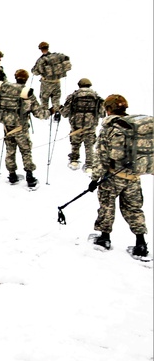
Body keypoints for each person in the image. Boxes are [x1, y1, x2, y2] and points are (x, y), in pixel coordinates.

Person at [88, 95, 148, 256]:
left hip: (113, 177)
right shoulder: (134, 126)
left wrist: (95, 179)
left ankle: (104, 238)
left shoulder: (110, 129)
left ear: (108, 109)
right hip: (134, 177)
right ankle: (141, 244)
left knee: (107, 206)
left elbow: (101, 157)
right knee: (134, 209)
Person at [0, 68, 49, 188]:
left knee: (10, 150)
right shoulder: (26, 92)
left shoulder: (5, 89)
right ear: (26, 79)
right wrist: (51, 111)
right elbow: (39, 114)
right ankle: (30, 176)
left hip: (7, 127)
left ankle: (12, 175)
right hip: (21, 128)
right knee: (26, 151)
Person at [59, 78, 105, 173]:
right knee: (89, 146)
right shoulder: (97, 97)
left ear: (79, 85)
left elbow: (65, 113)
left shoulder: (73, 96)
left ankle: (74, 161)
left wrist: (60, 109)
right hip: (91, 126)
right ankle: (89, 166)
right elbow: (102, 114)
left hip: (76, 125)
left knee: (75, 143)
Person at [31, 41, 71, 112]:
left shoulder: (41, 60)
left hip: (46, 83)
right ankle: (57, 112)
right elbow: (66, 59)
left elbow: (35, 72)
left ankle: (45, 114)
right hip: (57, 82)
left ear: (41, 49)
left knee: (44, 100)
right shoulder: (57, 56)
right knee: (56, 99)